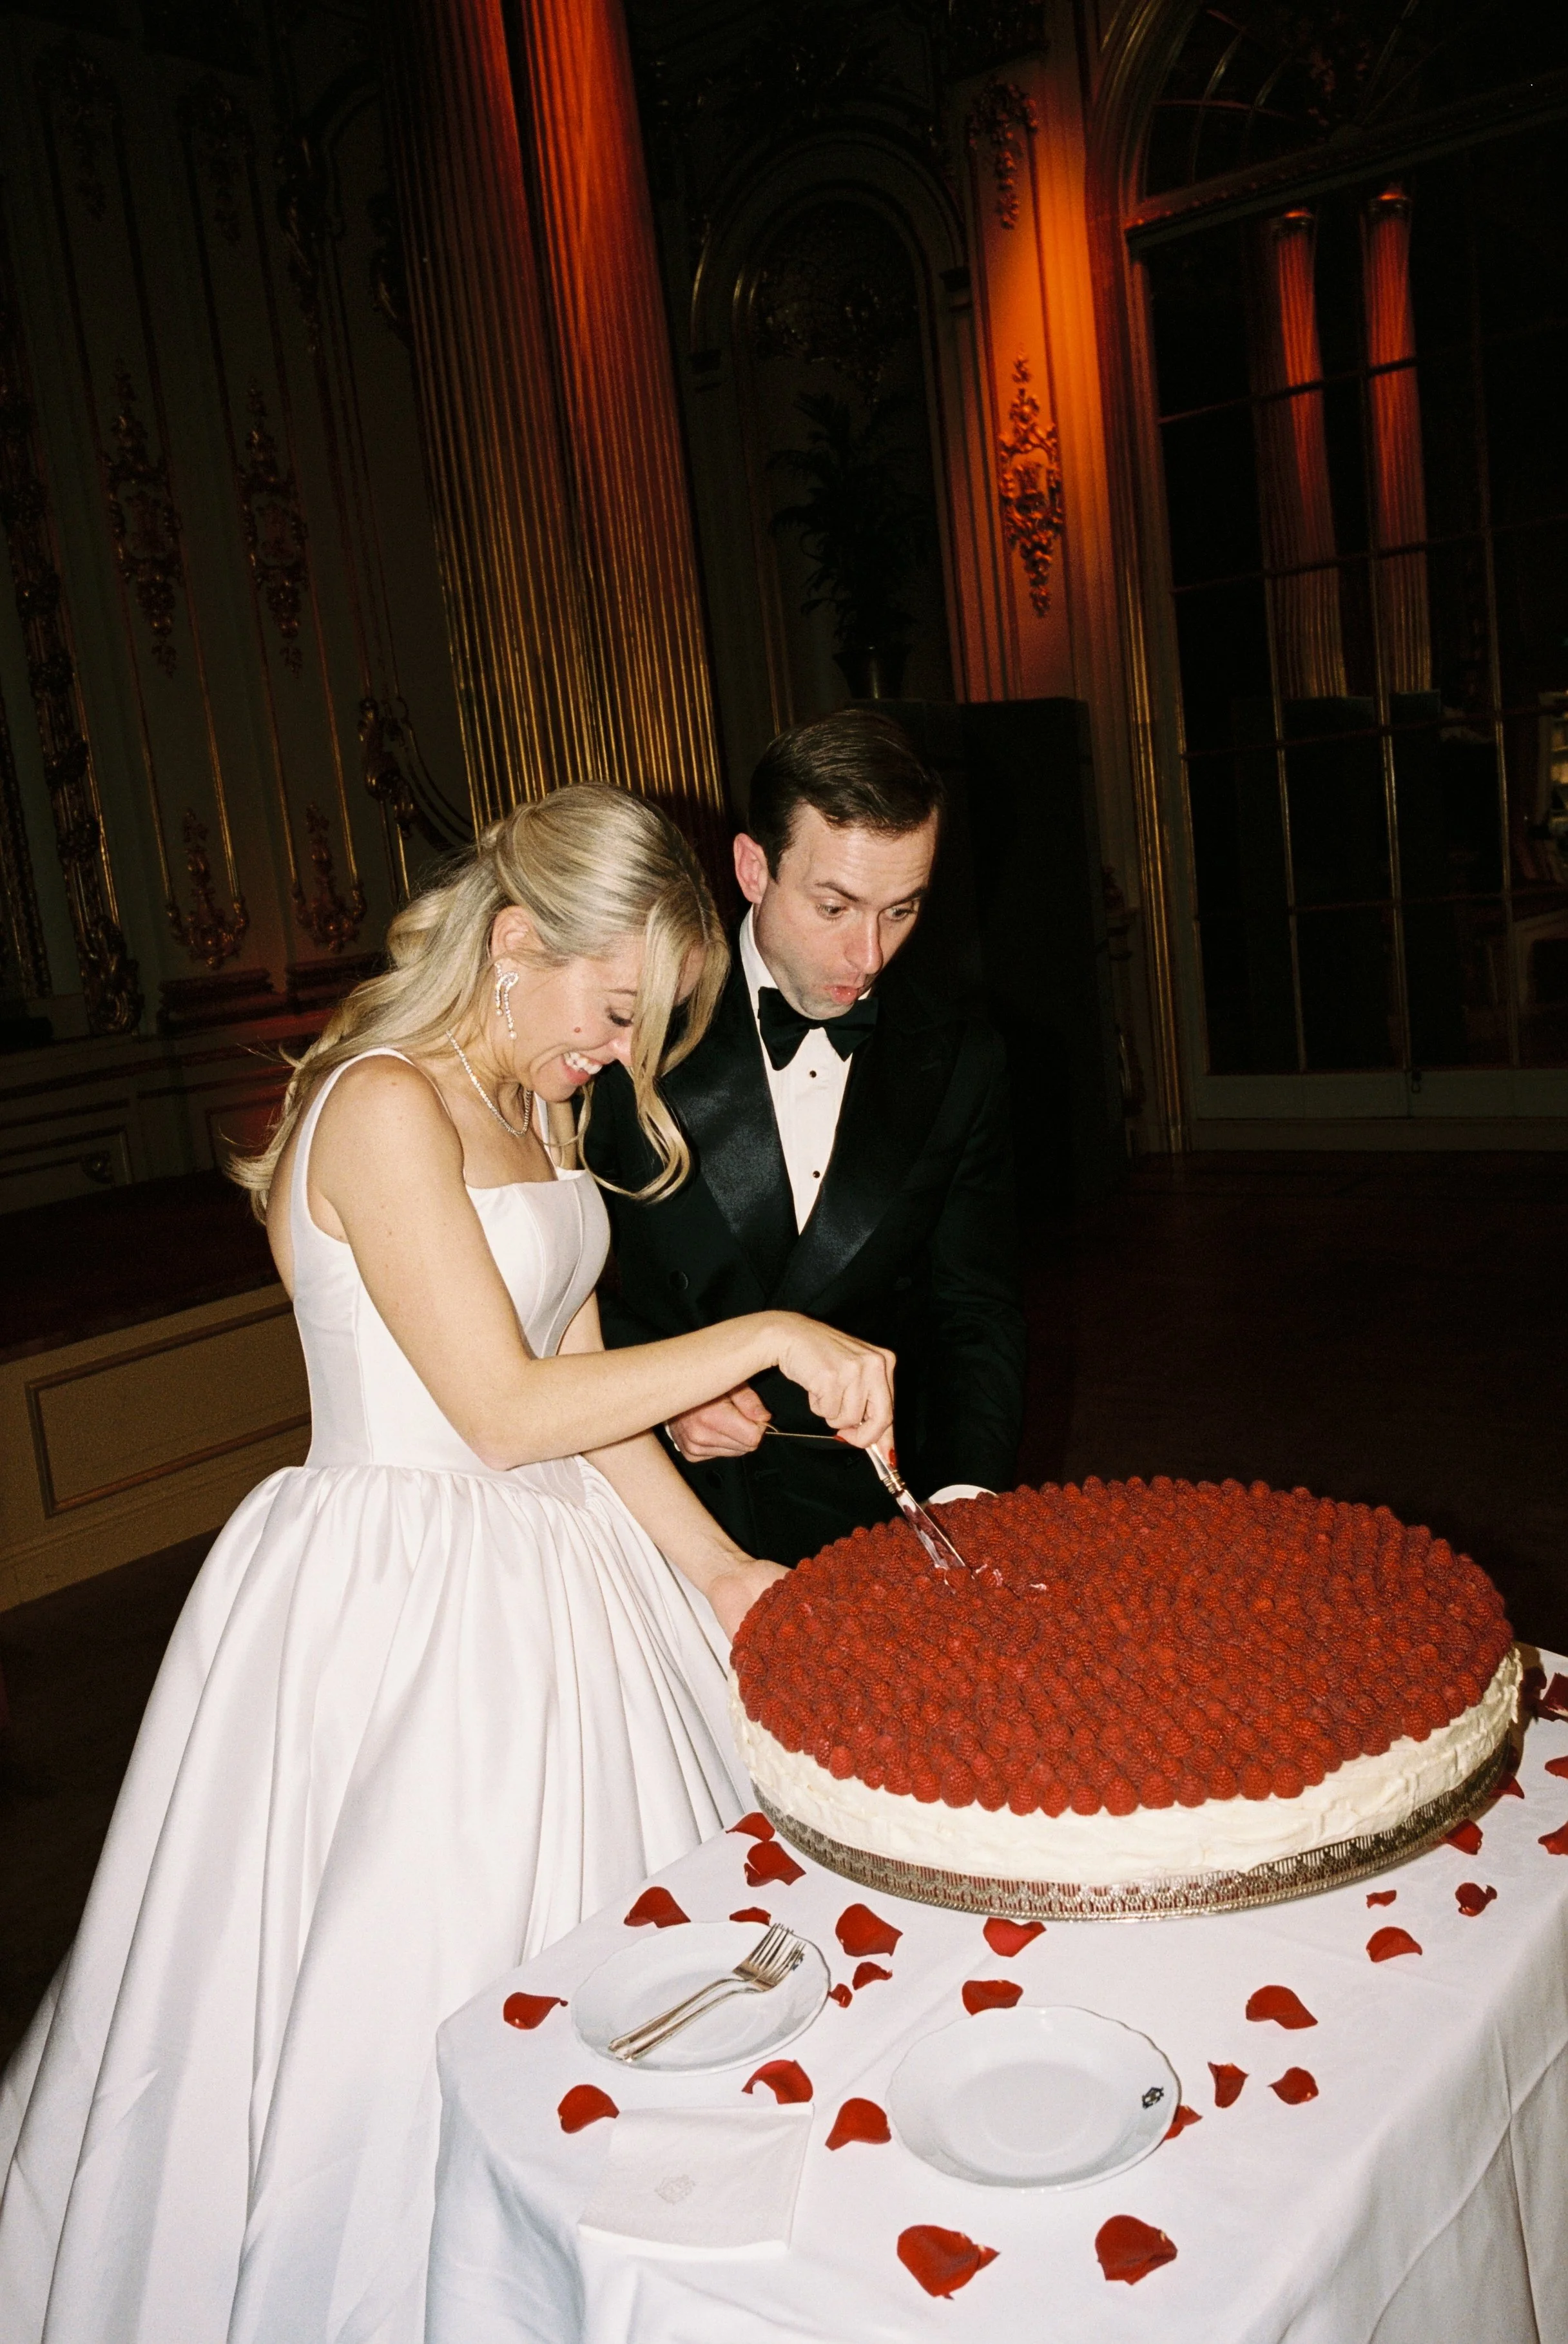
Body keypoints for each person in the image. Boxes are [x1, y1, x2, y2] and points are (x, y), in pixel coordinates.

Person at [0, 784, 895, 2344]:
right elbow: (494, 1412)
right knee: (399, 2011)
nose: (618, 1056)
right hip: (396, 1595)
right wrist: (753, 1336)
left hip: (567, 1577)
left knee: (652, 1979)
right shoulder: (379, 1105)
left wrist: (715, 1573)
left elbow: (569, 1356)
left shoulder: (526, 1098)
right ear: (512, 939)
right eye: (614, 1009)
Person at [586, 708, 1027, 1568]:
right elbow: (561, 1278)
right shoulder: (625, 1031)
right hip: (674, 1517)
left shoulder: (961, 1060)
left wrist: (969, 1507)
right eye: (835, 905)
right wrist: (665, 1401)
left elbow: (977, 1315)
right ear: (754, 868)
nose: (868, 955)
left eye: (903, 910)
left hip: (880, 1512)